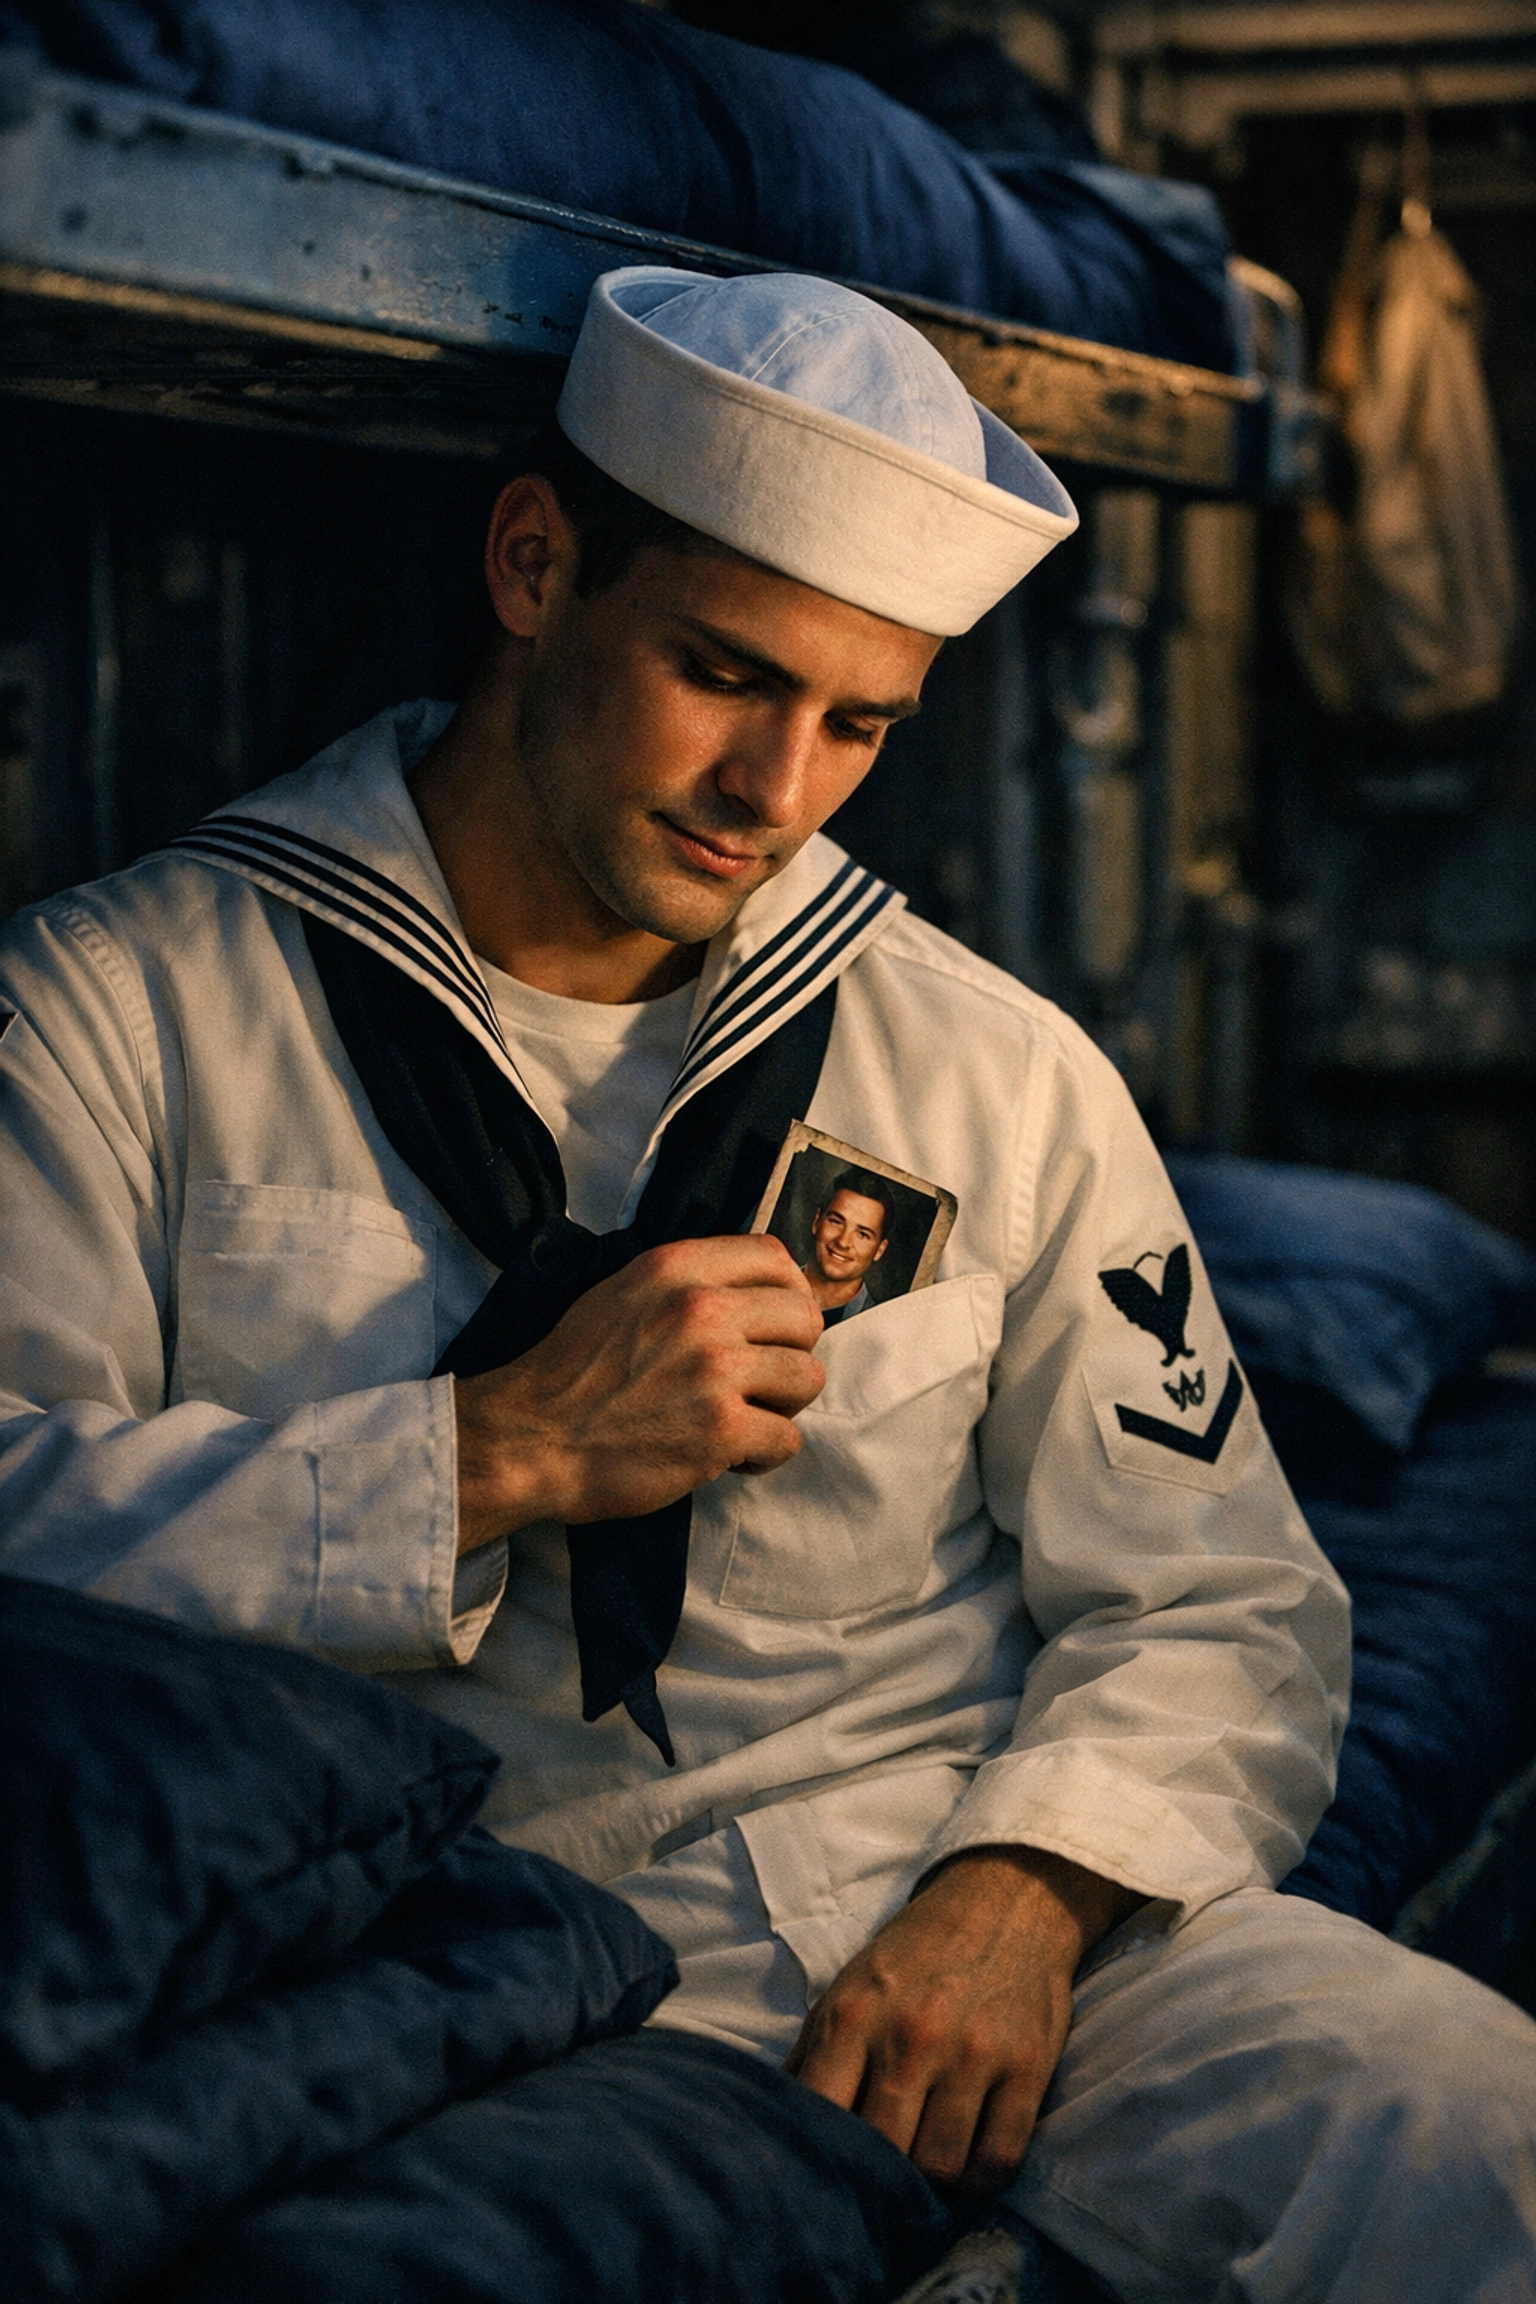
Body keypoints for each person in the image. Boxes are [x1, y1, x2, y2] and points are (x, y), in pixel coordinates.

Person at [0, 265, 1532, 2301]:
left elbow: (1220, 1596)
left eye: (861, 724)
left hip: (946, 1898)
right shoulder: (118, 1022)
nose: (778, 794)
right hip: (433, 1959)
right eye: (725, 676)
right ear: (537, 565)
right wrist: (489, 1454)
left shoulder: (991, 1072)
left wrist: (1027, 1884)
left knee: (1477, 2133)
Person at [800, 1170, 891, 1323]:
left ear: (880, 1250)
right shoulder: (766, 1287)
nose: (843, 1242)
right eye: (836, 1222)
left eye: (862, 1234)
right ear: (817, 1222)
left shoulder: (879, 1328)